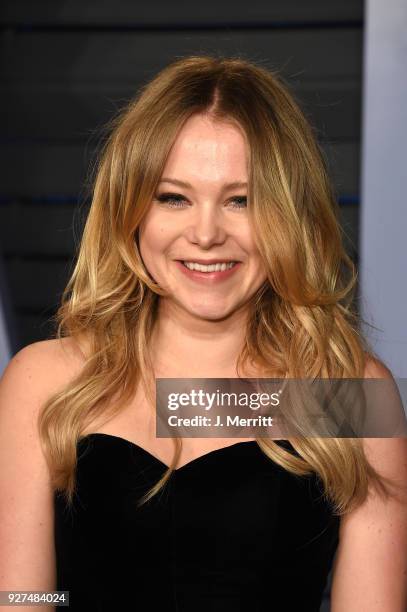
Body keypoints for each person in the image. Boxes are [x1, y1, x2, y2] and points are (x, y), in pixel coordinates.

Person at [0, 55, 406, 612]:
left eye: (243, 200)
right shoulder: (48, 380)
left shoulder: (347, 392)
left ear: (289, 215)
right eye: (174, 197)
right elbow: (21, 597)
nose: (207, 233)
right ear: (131, 210)